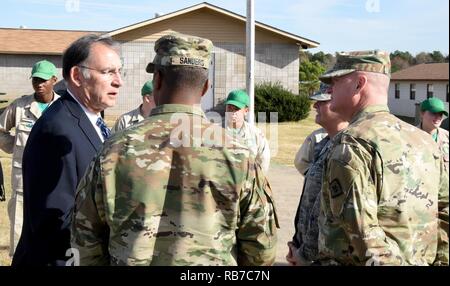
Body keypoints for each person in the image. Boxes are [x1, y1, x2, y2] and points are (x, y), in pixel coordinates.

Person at [71, 33, 278, 266]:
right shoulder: (238, 154)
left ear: (157, 80)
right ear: (205, 87)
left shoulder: (113, 150)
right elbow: (261, 251)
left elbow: (85, 242)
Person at [316, 50, 449, 266]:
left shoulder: (353, 144)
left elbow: (362, 235)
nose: (330, 88)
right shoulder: (424, 141)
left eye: (337, 80)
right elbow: (444, 214)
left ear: (359, 84)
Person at [12, 34, 123, 266]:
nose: (118, 81)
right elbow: (55, 221)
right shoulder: (57, 130)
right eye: (107, 72)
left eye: (120, 72)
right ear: (76, 76)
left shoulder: (90, 119)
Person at [0, 60, 60, 257]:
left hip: (55, 182)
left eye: (43, 80)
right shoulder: (19, 106)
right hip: (23, 181)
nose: (39, 84)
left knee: (51, 231)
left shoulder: (63, 108)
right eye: (35, 79)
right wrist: (13, 146)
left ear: (54, 80)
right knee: (19, 229)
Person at [286, 83, 348, 266]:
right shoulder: (325, 144)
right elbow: (310, 202)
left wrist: (305, 254)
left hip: (325, 256)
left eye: (322, 102)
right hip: (309, 252)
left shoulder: (345, 149)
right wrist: (297, 242)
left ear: (338, 104)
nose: (315, 106)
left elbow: (325, 210)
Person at [224, 90, 271, 173]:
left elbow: (264, 160)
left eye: (236, 109)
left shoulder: (255, 134)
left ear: (246, 111)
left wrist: (256, 182)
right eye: (229, 108)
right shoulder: (215, 131)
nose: (232, 112)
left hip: (247, 184)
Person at [417, 97, 449, 172]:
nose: (438, 117)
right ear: (422, 113)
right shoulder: (410, 137)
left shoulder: (447, 137)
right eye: (433, 113)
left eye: (440, 114)